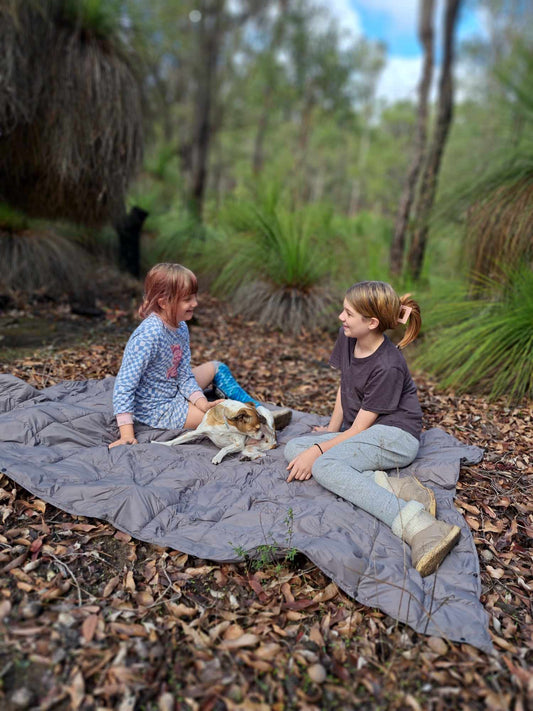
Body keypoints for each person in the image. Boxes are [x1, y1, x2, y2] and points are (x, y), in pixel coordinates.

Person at [284, 280, 460, 577]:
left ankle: (423, 528)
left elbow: (359, 430)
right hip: (367, 432)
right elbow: (345, 384)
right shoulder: (349, 336)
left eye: (348, 313)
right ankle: (395, 487)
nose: (341, 318)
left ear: (372, 322)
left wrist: (320, 449)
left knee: (324, 464)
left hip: (395, 435)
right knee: (294, 448)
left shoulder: (388, 364)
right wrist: (330, 428)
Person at [109, 263, 291, 448]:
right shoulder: (148, 336)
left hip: (173, 386)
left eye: (194, 297)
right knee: (216, 422)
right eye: (187, 299)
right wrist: (126, 434)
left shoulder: (180, 327)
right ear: (164, 302)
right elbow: (124, 385)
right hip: (158, 408)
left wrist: (202, 402)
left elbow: (184, 374)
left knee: (216, 367)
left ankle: (257, 410)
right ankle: (256, 425)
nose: (195, 303)